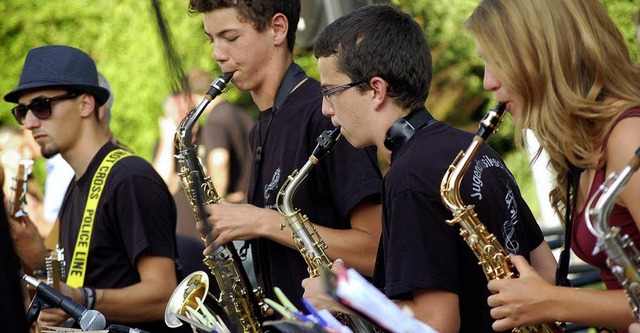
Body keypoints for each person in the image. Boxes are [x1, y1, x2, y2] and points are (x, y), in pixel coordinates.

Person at [299, 4, 557, 332]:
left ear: (376, 90)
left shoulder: (408, 177)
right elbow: (545, 270)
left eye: (330, 92)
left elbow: (438, 324)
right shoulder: (470, 146)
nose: (326, 110)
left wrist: (342, 298)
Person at [188, 0, 383, 311]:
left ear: (278, 29)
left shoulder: (325, 116)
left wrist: (261, 221)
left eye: (231, 37)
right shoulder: (261, 127)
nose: (218, 54)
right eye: (212, 40)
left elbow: (376, 251)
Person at [465, 0, 640, 331]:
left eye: (497, 61)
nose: (488, 82)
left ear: (543, 53)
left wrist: (546, 301)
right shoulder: (587, 142)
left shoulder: (628, 136)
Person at [4, 45, 184, 332]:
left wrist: (83, 299)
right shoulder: (76, 186)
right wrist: (34, 253)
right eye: (21, 111)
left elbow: (165, 296)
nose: (29, 122)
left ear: (86, 104)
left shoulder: (129, 178)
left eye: (41, 106)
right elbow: (75, 279)